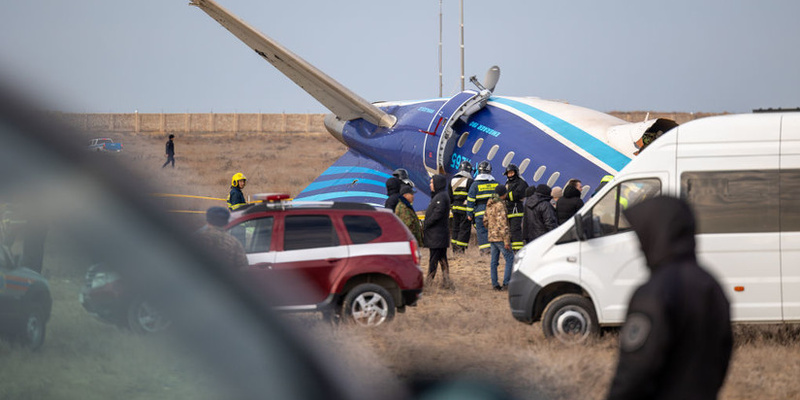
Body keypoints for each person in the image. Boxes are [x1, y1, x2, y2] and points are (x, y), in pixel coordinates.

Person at [606, 196, 732, 400]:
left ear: (656, 234)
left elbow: (635, 369)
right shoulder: (711, 285)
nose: (639, 247)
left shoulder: (654, 292)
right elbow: (722, 356)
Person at [194, 206, 249, 271]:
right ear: (226, 223)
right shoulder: (234, 242)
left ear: (208, 221)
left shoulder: (197, 238)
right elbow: (243, 267)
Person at [423, 174, 452, 288]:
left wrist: (427, 223)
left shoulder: (441, 197)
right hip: (437, 235)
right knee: (441, 259)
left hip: (437, 235)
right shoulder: (438, 196)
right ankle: (446, 281)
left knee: (434, 259)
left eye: (432, 183)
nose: (430, 185)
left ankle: (429, 282)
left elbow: (438, 214)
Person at [484, 185, 514, 291]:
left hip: (492, 237)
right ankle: (506, 283)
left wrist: (491, 229)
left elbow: (485, 221)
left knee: (494, 261)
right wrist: (506, 241)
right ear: (503, 194)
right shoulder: (500, 205)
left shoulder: (489, 204)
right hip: (500, 237)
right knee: (510, 259)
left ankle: (495, 284)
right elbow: (503, 224)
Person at [466, 161, 498, 255]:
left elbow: (470, 200)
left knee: (482, 232)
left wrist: (469, 214)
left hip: (480, 213)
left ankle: (485, 251)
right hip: (493, 213)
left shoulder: (475, 185)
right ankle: (494, 250)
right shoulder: (496, 184)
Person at [449, 160, 473, 254]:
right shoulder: (469, 181)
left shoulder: (452, 180)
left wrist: (452, 206)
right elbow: (471, 196)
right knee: (464, 229)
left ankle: (454, 248)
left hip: (455, 209)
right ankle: (460, 249)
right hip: (465, 209)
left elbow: (449, 195)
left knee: (455, 228)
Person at [503, 164, 528, 251]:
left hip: (516, 210)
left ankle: (518, 250)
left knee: (515, 230)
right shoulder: (507, 183)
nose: (510, 175)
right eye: (508, 173)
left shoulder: (521, 183)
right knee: (508, 231)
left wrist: (505, 196)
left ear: (516, 173)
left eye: (511, 173)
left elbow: (517, 195)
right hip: (508, 209)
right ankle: (510, 248)